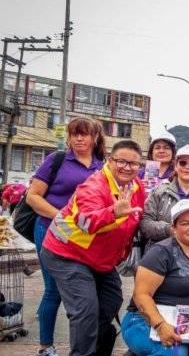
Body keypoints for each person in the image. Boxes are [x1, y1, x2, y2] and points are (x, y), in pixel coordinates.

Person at [40, 139, 146, 356]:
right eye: (122, 161)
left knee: (112, 300)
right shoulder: (93, 186)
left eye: (134, 164)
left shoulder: (136, 187)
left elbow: (136, 219)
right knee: (84, 310)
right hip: (65, 254)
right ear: (110, 160)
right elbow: (86, 222)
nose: (128, 167)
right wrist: (114, 212)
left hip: (99, 259)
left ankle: (93, 344)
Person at [25, 117, 106, 356]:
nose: (79, 138)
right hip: (50, 229)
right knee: (53, 290)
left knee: (84, 293)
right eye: (74, 134)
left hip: (84, 237)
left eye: (84, 134)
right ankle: (46, 347)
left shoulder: (101, 166)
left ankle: (82, 346)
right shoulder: (56, 160)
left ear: (94, 137)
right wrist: (63, 216)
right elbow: (33, 197)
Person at [122, 199, 189, 355]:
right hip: (145, 320)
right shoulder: (161, 252)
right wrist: (160, 325)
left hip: (188, 321)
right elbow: (141, 295)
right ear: (174, 228)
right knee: (175, 352)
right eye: (185, 223)